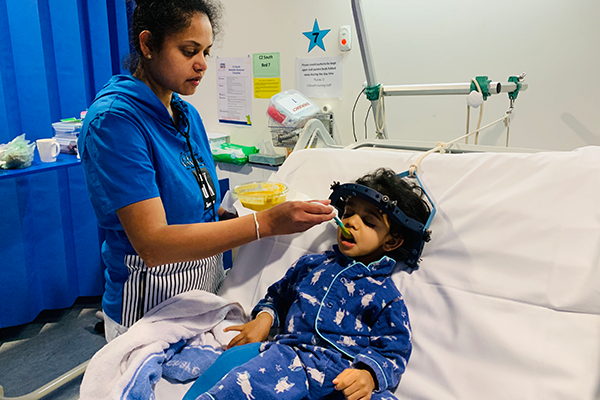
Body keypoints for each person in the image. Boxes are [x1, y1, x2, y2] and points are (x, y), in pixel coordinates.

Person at [77, 0, 334, 342]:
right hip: (149, 308)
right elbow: (154, 244)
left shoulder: (185, 115)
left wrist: (261, 218)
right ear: (147, 45)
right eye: (188, 51)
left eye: (207, 52)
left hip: (205, 292)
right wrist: (264, 224)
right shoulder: (116, 121)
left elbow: (200, 210)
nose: (201, 65)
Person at [190, 168, 432, 400]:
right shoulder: (311, 266)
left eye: (369, 222)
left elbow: (393, 349)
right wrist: (263, 320)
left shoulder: (386, 296)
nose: (350, 223)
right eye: (348, 213)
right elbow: (277, 297)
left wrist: (368, 375)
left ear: (392, 242)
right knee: (238, 386)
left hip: (343, 379)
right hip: (287, 360)